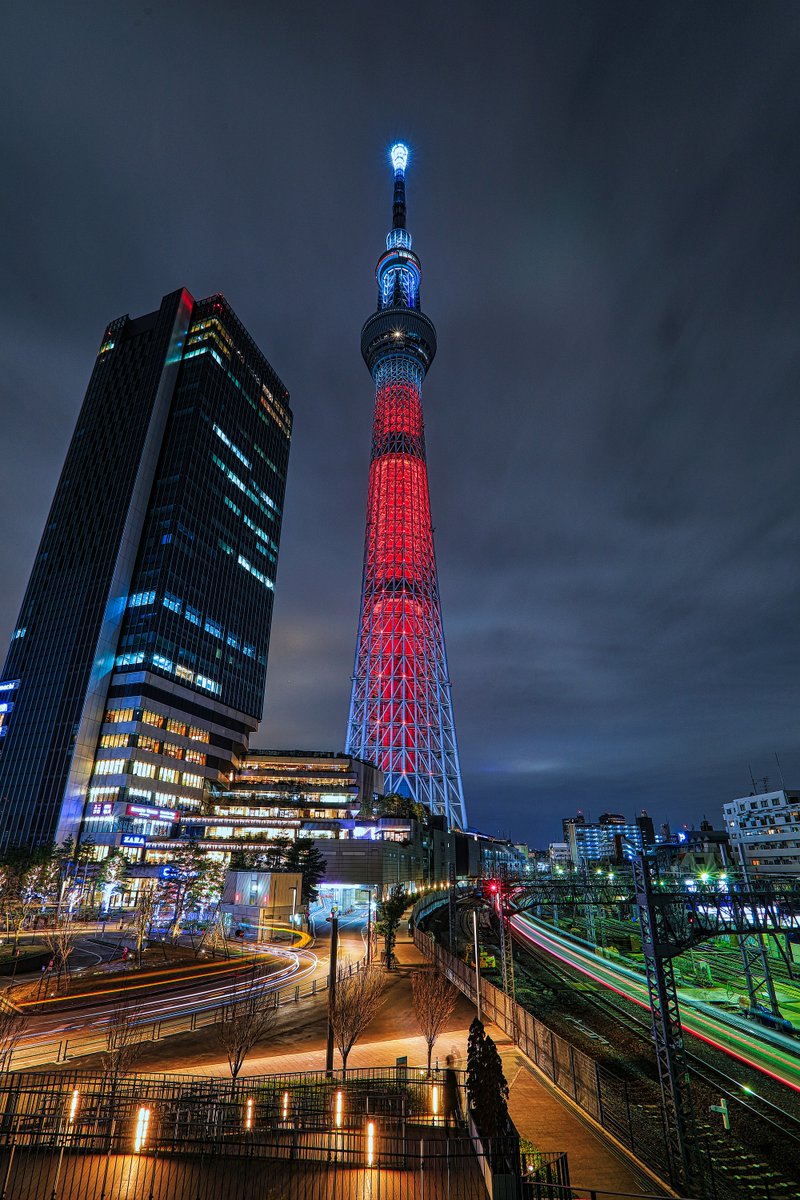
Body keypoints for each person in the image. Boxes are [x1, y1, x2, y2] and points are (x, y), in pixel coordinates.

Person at [442, 1054, 459, 1135]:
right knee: (454, 1115)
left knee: (447, 1116)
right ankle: (455, 1132)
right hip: (452, 1097)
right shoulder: (451, 1072)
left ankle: (447, 1133)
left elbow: (445, 1085)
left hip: (447, 1097)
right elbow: (455, 1086)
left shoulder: (445, 1072)